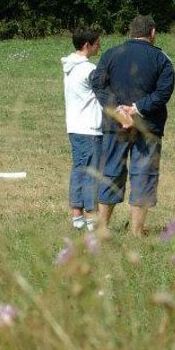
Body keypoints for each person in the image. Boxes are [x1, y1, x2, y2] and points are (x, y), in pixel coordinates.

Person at [90, 15, 175, 236]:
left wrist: (117, 109)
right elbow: (163, 92)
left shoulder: (110, 54)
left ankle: (102, 227)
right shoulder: (161, 59)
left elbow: (97, 84)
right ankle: (136, 231)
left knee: (110, 172)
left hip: (115, 124)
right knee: (144, 174)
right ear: (152, 33)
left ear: (131, 32)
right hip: (148, 126)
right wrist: (137, 108)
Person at [62, 27, 102, 231]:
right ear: (87, 45)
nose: (99, 47)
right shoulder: (89, 69)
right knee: (91, 173)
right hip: (90, 127)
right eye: (97, 44)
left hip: (75, 126)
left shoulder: (69, 66)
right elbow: (104, 95)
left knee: (79, 169)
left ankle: (77, 215)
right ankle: (92, 217)